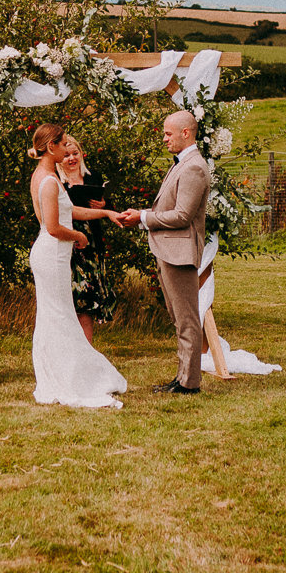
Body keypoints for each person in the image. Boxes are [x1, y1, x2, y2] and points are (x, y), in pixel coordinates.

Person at [27, 124, 127, 408]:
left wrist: (105, 212)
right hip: (52, 253)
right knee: (58, 315)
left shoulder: (46, 177)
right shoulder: (47, 181)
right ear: (51, 147)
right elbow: (54, 226)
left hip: (54, 254)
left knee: (60, 314)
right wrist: (78, 236)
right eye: (61, 144)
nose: (66, 149)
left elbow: (72, 211)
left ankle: (66, 371)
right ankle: (64, 377)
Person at [113, 110, 210, 394]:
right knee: (179, 318)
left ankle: (189, 383)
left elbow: (182, 215)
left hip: (179, 252)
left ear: (186, 133)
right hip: (169, 250)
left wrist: (143, 217)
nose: (164, 138)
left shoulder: (193, 166)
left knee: (187, 318)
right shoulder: (182, 163)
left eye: (168, 133)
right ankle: (182, 378)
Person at [57, 138, 116, 343]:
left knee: (88, 300)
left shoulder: (93, 176)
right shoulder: (56, 180)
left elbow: (109, 204)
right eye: (66, 155)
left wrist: (103, 205)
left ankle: (87, 348)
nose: (72, 158)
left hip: (91, 243)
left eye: (75, 153)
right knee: (74, 297)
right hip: (69, 242)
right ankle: (70, 346)